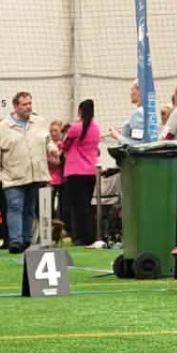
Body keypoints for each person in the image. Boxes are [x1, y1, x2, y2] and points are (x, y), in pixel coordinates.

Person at [0, 92, 49, 254]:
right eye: (24, 104)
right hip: (12, 175)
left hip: (35, 174)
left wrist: (53, 149)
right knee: (15, 207)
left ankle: (26, 240)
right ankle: (15, 241)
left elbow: (47, 143)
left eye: (30, 103)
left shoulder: (40, 122)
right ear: (15, 106)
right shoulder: (2, 127)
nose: (28, 107)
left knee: (29, 209)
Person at [60, 100, 104, 250]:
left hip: (75, 171)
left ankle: (80, 236)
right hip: (91, 171)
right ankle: (89, 235)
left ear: (80, 111)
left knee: (77, 207)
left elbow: (64, 145)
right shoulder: (96, 128)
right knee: (86, 205)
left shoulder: (75, 128)